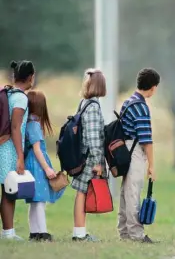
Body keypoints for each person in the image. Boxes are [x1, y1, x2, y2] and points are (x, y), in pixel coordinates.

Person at [117, 67, 160, 243]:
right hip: (134, 151)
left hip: (124, 150)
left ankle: (124, 231)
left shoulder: (128, 102)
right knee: (133, 192)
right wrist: (151, 165)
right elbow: (146, 140)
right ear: (153, 87)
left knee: (126, 192)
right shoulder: (141, 107)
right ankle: (136, 234)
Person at [0, 60, 35, 240]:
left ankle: (7, 231)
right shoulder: (21, 97)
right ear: (30, 77)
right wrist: (20, 156)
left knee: (6, 190)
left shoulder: (8, 93)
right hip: (9, 149)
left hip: (3, 145)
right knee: (9, 191)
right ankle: (8, 233)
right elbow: (15, 127)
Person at [71, 68, 106, 242]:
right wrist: (98, 161)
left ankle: (80, 231)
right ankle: (79, 233)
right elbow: (93, 136)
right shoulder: (92, 107)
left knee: (81, 192)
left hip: (83, 155)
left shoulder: (84, 103)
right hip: (89, 158)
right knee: (82, 193)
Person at [25, 90, 65, 242]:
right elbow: (37, 150)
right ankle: (42, 232)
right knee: (40, 201)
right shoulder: (34, 125)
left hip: (31, 163)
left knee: (34, 201)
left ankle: (34, 232)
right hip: (37, 165)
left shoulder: (27, 123)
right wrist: (47, 168)